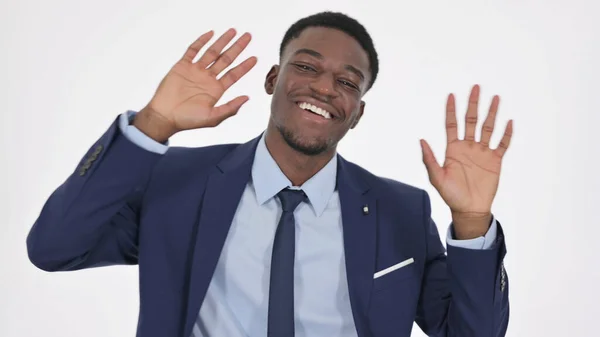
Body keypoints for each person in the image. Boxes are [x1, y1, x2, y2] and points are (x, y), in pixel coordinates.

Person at [26, 11, 512, 337]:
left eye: (346, 82)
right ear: (273, 80)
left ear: (357, 112)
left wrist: (471, 223)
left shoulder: (401, 211)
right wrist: (153, 125)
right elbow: (54, 248)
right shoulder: (177, 182)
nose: (324, 88)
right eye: (306, 67)